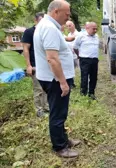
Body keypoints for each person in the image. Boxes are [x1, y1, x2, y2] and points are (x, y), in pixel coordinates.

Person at [33, 0, 80, 158]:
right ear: (56, 12)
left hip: (51, 78)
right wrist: (62, 82)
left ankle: (64, 139)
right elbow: (52, 59)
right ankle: (60, 147)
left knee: (60, 112)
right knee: (58, 114)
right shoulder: (49, 28)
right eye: (66, 13)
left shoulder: (48, 26)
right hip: (54, 80)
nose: (68, 17)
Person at [21, 12, 49, 117]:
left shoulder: (46, 31)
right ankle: (39, 111)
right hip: (35, 65)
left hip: (46, 65)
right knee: (38, 89)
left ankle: (46, 108)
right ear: (36, 20)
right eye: (42, 20)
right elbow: (26, 49)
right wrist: (28, 65)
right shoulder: (29, 32)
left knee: (47, 88)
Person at [73, 22, 99, 100]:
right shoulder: (81, 36)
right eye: (93, 29)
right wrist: (79, 55)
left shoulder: (96, 36)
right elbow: (75, 47)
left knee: (94, 77)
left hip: (94, 59)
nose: (95, 30)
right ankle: (83, 93)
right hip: (85, 59)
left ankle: (91, 93)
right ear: (87, 28)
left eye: (96, 29)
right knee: (84, 77)